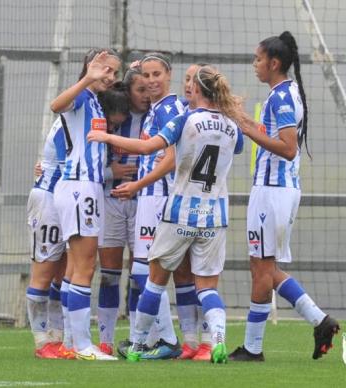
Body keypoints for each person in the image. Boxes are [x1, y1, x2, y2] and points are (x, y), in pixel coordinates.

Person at [88, 64, 245, 364]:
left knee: (154, 280)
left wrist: (109, 138)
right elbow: (236, 147)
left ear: (197, 90)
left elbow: (148, 147)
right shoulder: (231, 125)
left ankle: (136, 345)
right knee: (207, 287)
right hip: (215, 217)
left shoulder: (185, 119)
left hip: (181, 212)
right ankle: (217, 341)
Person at [228, 31, 340, 362]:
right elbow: (270, 134)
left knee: (262, 271)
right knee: (262, 266)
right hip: (277, 191)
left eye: (258, 59)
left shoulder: (281, 97)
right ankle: (320, 321)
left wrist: (246, 129)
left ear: (274, 63)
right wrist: (241, 117)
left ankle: (252, 347)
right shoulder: (285, 92)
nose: (254, 65)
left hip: (273, 192)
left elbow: (288, 149)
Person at [50, 48, 121, 361]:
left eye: (115, 73)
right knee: (85, 266)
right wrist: (87, 79)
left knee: (75, 268)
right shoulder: (82, 95)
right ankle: (82, 346)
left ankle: (70, 341)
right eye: (107, 71)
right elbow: (57, 105)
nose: (111, 78)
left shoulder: (94, 100)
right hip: (80, 188)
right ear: (92, 68)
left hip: (83, 187)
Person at [113, 53, 184, 360]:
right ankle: (160, 338)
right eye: (147, 75)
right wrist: (135, 67)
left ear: (169, 75)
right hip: (151, 197)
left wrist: (138, 185)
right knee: (149, 271)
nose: (153, 80)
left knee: (145, 271)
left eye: (158, 74)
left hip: (157, 197)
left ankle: (167, 339)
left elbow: (172, 158)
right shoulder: (161, 108)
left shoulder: (169, 108)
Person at [95, 69, 149, 356]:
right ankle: (105, 339)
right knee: (109, 274)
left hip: (143, 203)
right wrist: (110, 172)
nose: (147, 94)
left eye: (149, 88)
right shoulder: (112, 118)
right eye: (140, 89)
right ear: (128, 92)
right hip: (111, 200)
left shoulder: (158, 118)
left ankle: (136, 339)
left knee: (140, 273)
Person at [26, 116, 68, 359]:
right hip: (49, 199)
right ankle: (41, 341)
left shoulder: (84, 113)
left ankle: (56, 335)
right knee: (43, 271)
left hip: (66, 199)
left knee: (63, 273)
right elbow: (67, 165)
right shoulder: (71, 117)